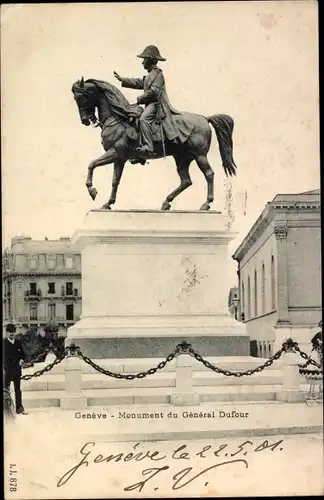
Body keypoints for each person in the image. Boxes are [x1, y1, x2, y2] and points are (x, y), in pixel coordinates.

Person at [114, 45, 181, 158]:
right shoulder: (151, 75)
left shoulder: (158, 74)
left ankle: (148, 147)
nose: (142, 62)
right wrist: (122, 80)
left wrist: (140, 99)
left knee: (143, 119)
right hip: (151, 104)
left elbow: (154, 92)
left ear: (149, 60)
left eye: (144, 59)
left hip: (157, 105)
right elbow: (140, 83)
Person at [3, 323, 28, 415]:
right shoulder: (4, 343)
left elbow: (23, 355)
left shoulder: (18, 343)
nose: (11, 334)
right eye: (9, 332)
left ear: (15, 332)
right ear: (6, 333)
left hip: (17, 370)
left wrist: (22, 359)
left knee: (18, 389)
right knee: (6, 390)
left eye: (13, 331)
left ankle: (19, 408)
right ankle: (6, 409)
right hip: (7, 371)